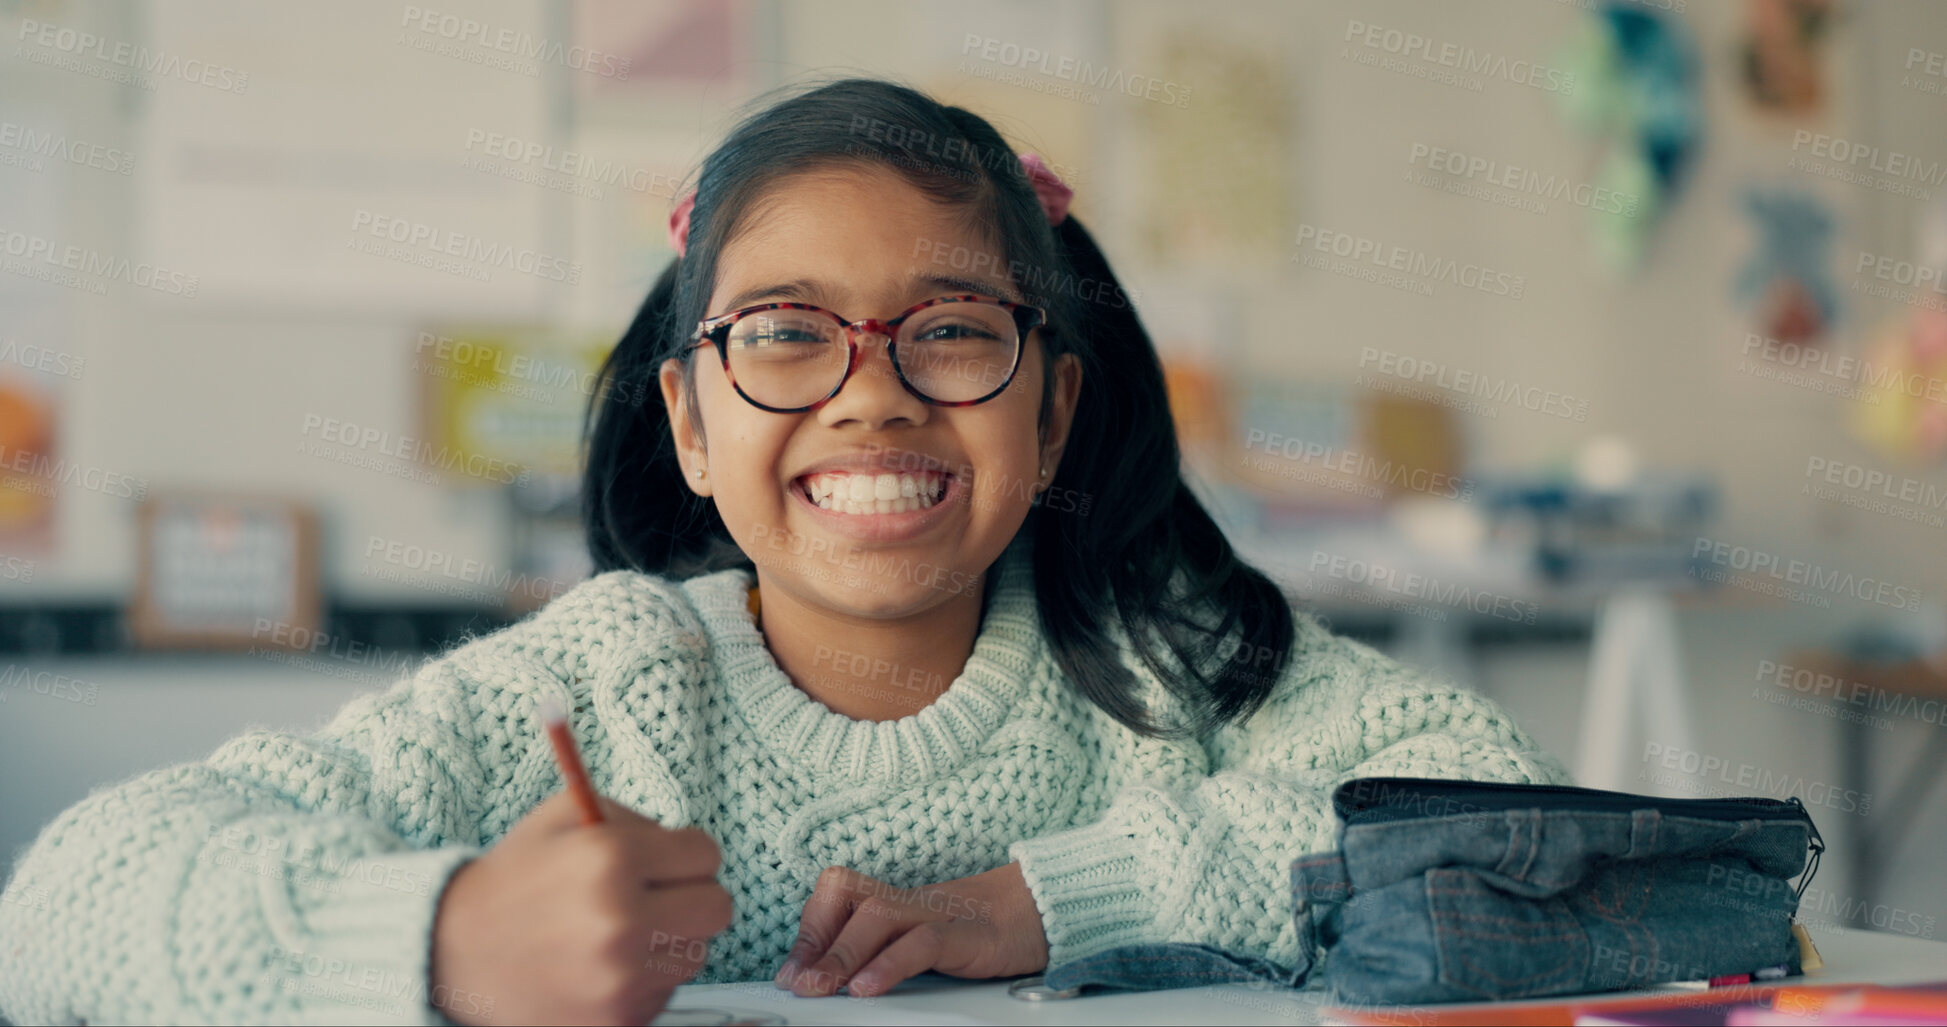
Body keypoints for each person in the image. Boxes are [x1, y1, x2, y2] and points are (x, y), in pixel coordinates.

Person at [0, 77, 1569, 1026]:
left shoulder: (1158, 661)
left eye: (952, 333)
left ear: (1056, 409)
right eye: (785, 336)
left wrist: (1053, 899)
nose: (874, 393)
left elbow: (1496, 815)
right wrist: (445, 944)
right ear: (688, 420)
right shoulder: (606, 687)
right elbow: (64, 905)